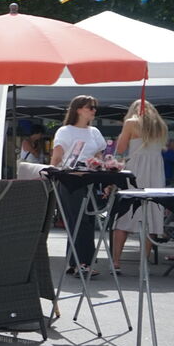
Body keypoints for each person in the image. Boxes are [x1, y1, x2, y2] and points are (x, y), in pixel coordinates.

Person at [50, 95, 107, 276]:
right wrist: (53, 176)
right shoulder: (65, 131)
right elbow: (57, 158)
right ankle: (83, 263)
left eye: (94, 107)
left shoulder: (94, 132)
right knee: (78, 220)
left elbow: (99, 157)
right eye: (90, 107)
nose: (94, 110)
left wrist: (104, 177)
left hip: (90, 179)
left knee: (87, 221)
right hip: (70, 179)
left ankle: (75, 262)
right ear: (79, 109)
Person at [111, 100, 168, 272]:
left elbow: (120, 148)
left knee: (125, 215)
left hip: (136, 170)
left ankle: (116, 262)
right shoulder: (161, 125)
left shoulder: (131, 123)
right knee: (150, 216)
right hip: (156, 173)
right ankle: (144, 262)